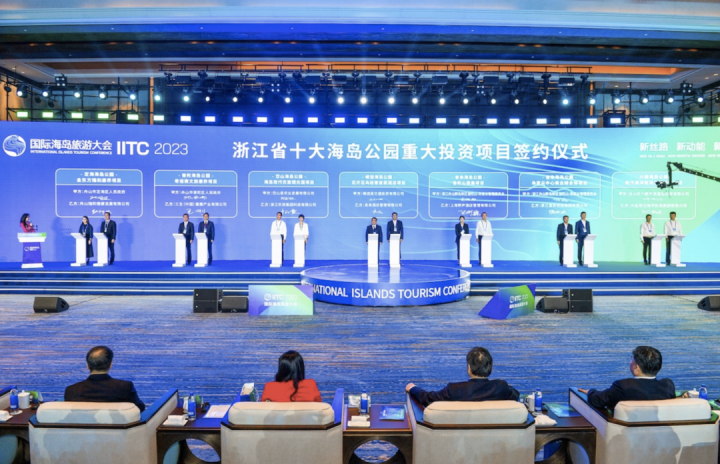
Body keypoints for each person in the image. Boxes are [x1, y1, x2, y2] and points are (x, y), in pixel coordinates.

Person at [405, 347, 520, 407]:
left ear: (469, 368)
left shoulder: (454, 389)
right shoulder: (501, 387)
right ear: (490, 367)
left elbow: (428, 398)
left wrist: (412, 388)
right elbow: (516, 395)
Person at [579, 346, 675, 412]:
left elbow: (597, 400)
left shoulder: (623, 386)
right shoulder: (667, 385)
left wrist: (591, 391)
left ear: (636, 367)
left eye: (631, 360)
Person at [64, 346, 145, 412]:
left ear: (87, 366)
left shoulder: (71, 390)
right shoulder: (125, 387)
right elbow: (140, 409)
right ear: (110, 365)